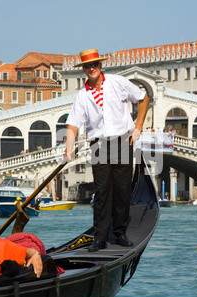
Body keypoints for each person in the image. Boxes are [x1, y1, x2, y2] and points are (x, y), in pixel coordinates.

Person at [64, 49, 149, 252]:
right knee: (102, 192)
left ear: (100, 65)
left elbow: (143, 98)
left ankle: (119, 233)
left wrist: (138, 127)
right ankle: (100, 237)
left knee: (122, 190)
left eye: (94, 65)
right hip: (99, 144)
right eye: (87, 66)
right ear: (83, 69)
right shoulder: (83, 95)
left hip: (122, 140)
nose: (91, 68)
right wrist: (68, 148)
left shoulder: (117, 82)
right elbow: (73, 125)